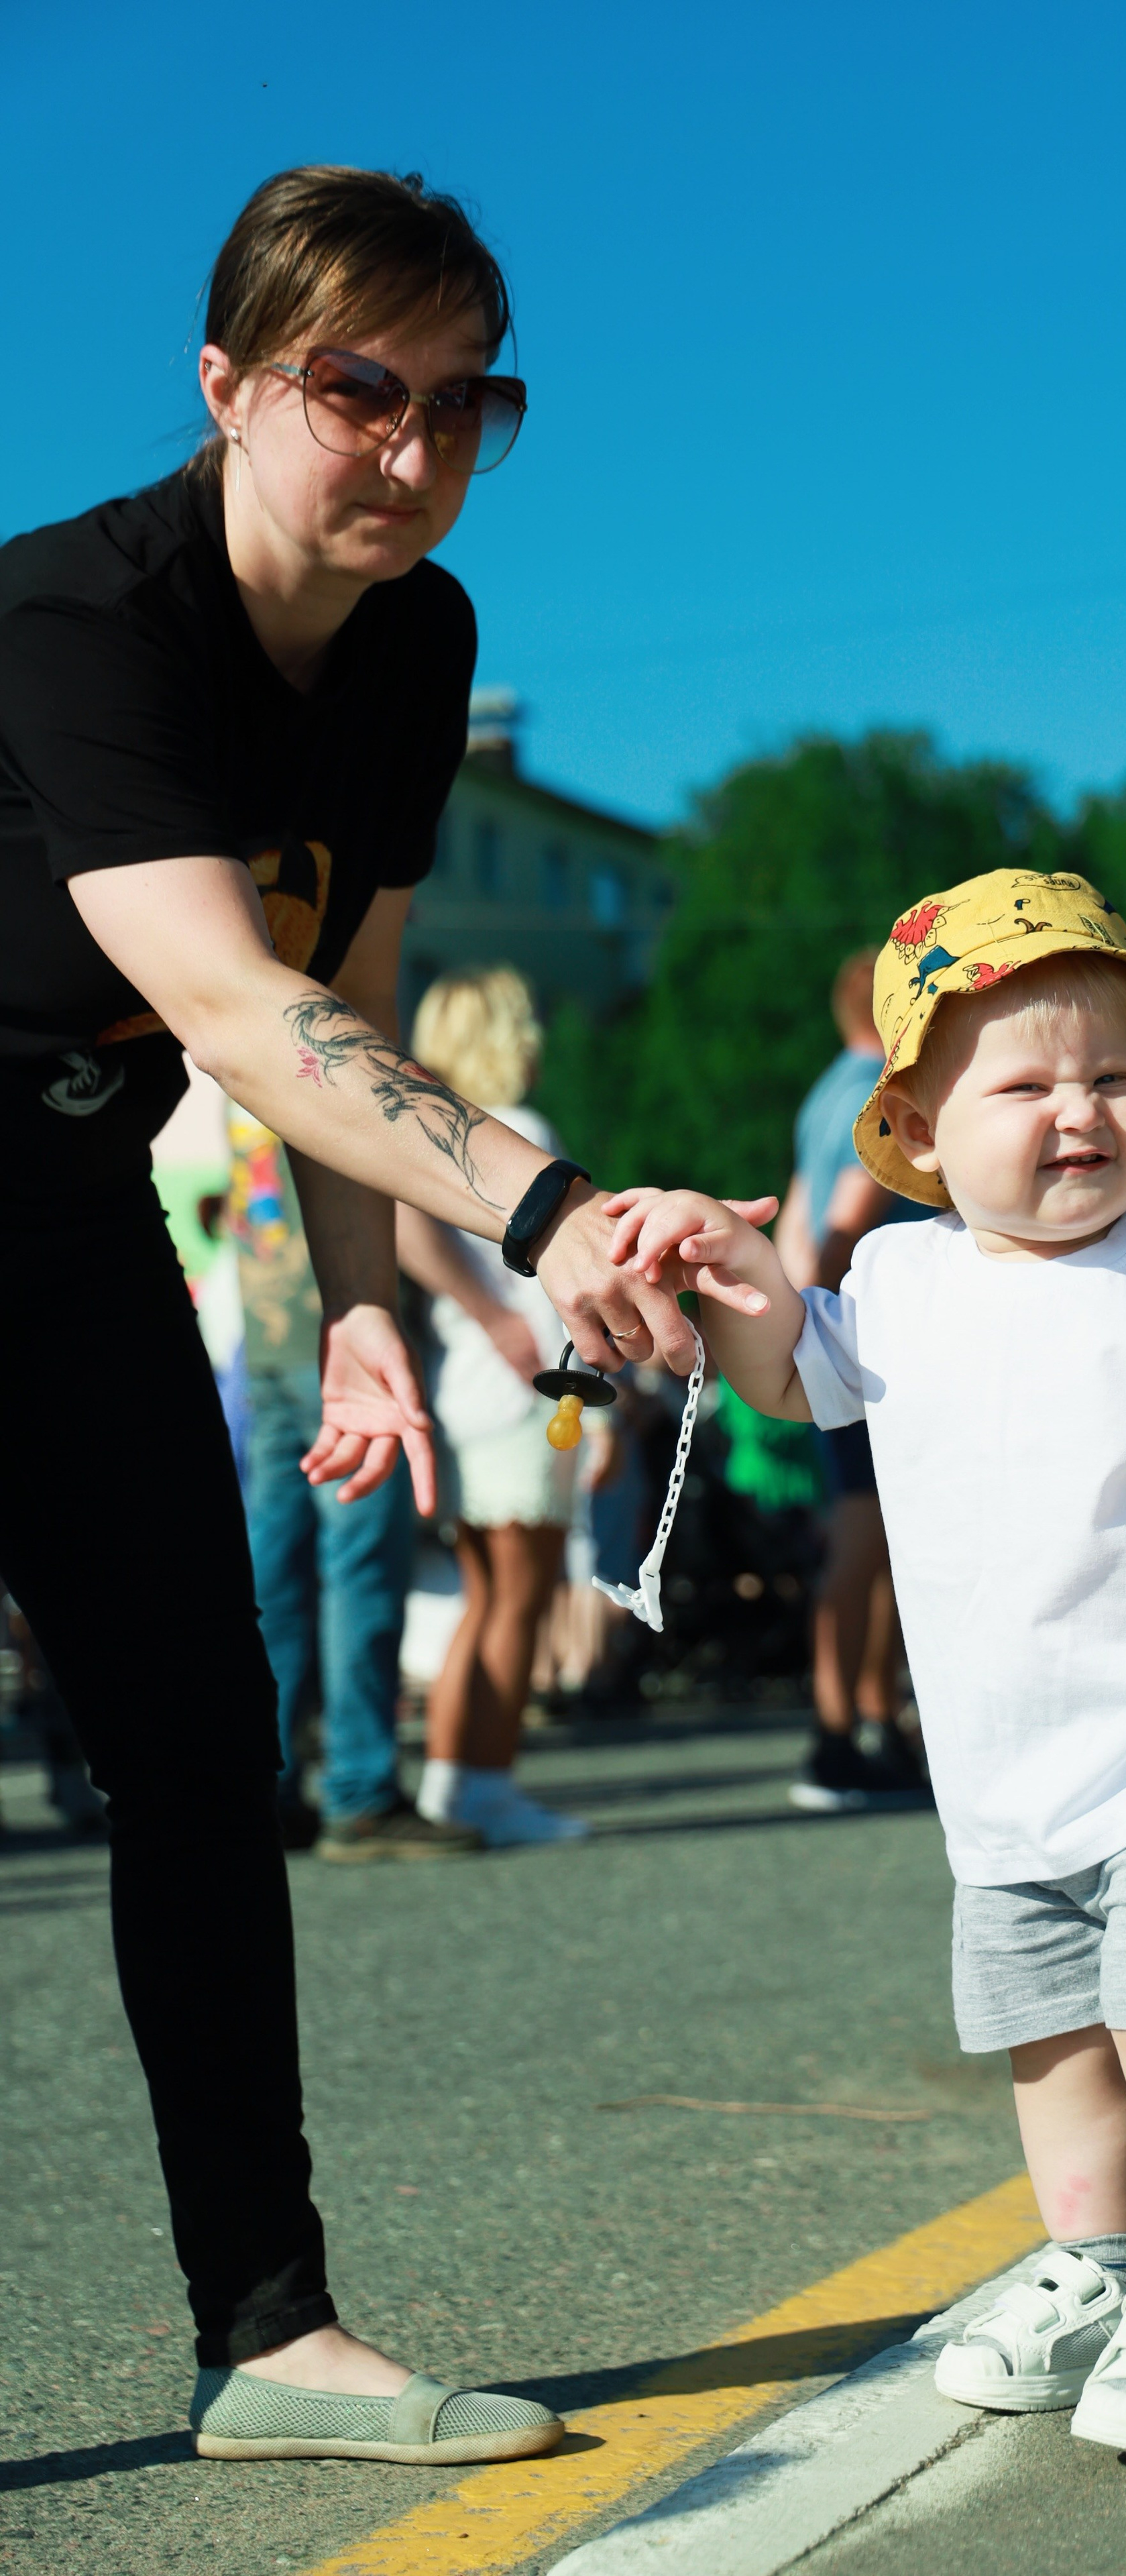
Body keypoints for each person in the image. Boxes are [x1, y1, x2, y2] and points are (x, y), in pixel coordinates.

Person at [0, 165, 703, 2468]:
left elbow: (349, 1000)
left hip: (62, 1214)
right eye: (356, 388)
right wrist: (548, 1203)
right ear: (226, 388)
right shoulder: (77, 617)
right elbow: (230, 1000)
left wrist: (370, 1306)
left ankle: (270, 2335)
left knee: (205, 1753)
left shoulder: (413, 643)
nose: (410, 447)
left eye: (462, 401)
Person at [606, 867, 1126, 2467]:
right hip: (1003, 1772)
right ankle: (1093, 2263)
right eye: (1025, 1085)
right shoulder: (900, 1279)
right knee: (1050, 2042)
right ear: (915, 1123)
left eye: (1115, 1077)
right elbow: (790, 1375)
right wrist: (731, 1271)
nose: (1078, 1110)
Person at [228, 1099, 480, 1857]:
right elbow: (398, 1206)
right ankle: (360, 1789)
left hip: (271, 1341)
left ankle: (264, 1786)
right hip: (341, 1343)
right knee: (360, 1569)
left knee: (274, 1578)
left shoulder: (234, 1053)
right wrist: (491, 1312)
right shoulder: (330, 1054)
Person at [398, 967, 594, 1844]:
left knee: (484, 1599)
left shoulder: (433, 1140)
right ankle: (486, 1785)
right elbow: (562, 1295)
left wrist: (477, 1315)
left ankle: (454, 1782)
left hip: (464, 1389)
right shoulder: (525, 1135)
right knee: (520, 1598)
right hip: (525, 1393)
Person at [775, 949, 929, 1811]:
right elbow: (841, 1219)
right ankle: (835, 1737)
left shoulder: (822, 1091)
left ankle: (872, 1723)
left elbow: (799, 1217)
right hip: (871, 1345)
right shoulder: (877, 1092)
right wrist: (826, 1314)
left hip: (836, 1335)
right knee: (867, 1540)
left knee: (873, 1541)